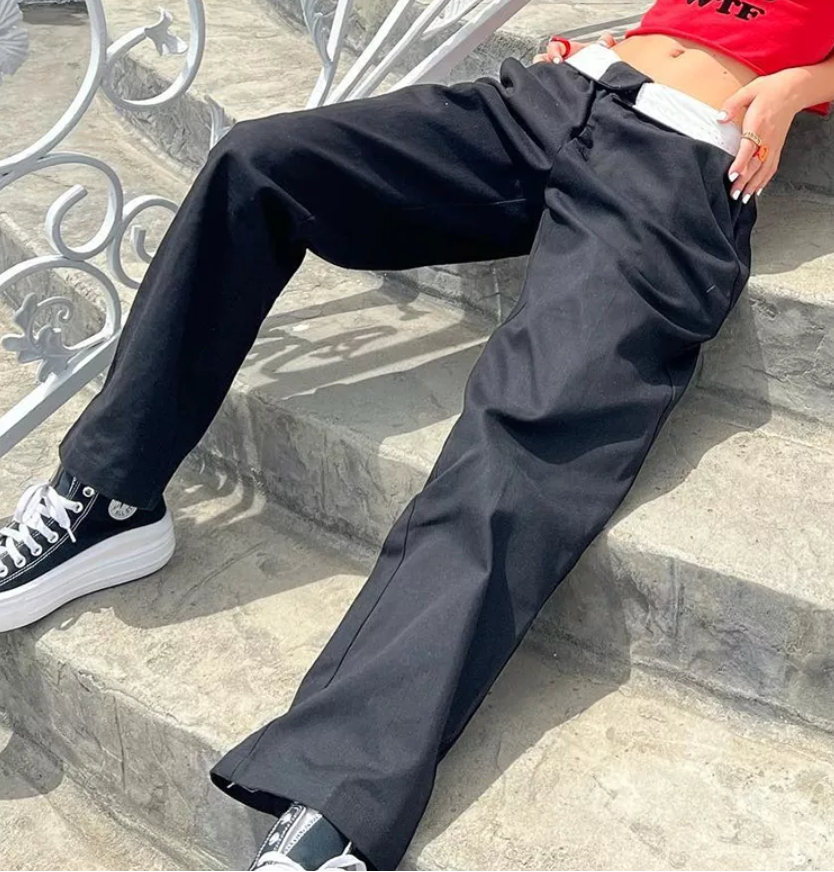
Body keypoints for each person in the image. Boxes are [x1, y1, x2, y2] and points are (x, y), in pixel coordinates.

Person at [1, 0, 833, 867]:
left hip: (681, 157)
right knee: (260, 161)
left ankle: (340, 788)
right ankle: (108, 496)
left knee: (524, 432)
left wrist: (796, 89)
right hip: (560, 98)